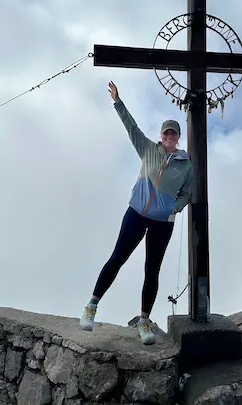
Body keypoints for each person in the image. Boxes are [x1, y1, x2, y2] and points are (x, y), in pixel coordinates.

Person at [79, 81, 194, 345]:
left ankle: (144, 321)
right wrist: (118, 101)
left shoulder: (185, 164)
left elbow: (188, 193)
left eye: (173, 135)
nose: (169, 138)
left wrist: (172, 208)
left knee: (151, 270)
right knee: (117, 258)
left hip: (162, 223)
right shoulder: (147, 149)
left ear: (178, 138)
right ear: (161, 136)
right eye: (166, 134)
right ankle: (91, 306)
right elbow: (131, 126)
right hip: (136, 214)